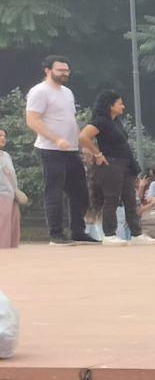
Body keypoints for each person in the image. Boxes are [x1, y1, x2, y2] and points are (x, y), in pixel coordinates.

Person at [25, 56, 89, 246]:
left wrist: (81, 143)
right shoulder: (39, 92)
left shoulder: (67, 92)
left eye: (67, 70)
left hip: (71, 150)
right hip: (50, 149)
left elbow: (71, 120)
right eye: (60, 70)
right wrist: (56, 139)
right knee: (54, 191)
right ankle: (56, 235)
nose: (65, 73)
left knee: (80, 192)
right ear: (47, 70)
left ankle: (78, 231)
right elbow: (33, 121)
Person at [77, 90, 151, 245]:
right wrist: (97, 154)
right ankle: (109, 234)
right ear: (110, 105)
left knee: (130, 199)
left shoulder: (116, 121)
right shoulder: (100, 121)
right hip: (110, 164)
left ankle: (136, 234)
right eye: (120, 103)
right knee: (111, 199)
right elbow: (83, 137)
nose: (123, 106)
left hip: (125, 164)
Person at [0, 128, 22, 249]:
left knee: (12, 229)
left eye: (4, 136)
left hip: (11, 197)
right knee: (2, 230)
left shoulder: (6, 155)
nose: (3, 138)